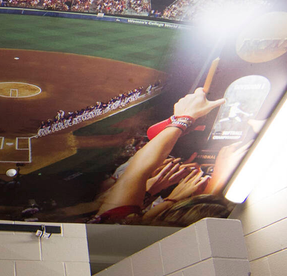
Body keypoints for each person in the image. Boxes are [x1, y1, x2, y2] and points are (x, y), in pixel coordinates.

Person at [90, 87, 224, 223]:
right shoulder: (113, 226)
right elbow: (137, 170)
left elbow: (136, 172)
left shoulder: (114, 225)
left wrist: (149, 193)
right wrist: (185, 117)